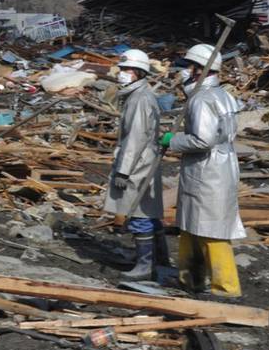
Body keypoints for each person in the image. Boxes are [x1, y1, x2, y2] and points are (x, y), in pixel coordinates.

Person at [159, 43, 243, 297]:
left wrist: (172, 140)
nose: (185, 71)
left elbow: (202, 140)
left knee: (211, 229)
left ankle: (226, 287)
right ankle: (189, 278)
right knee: (191, 225)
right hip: (218, 166)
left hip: (208, 171)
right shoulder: (223, 95)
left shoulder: (202, 100)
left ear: (198, 69)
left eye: (189, 66)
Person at [103, 49, 166, 281]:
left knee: (138, 212)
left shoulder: (140, 99)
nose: (122, 74)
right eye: (121, 69)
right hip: (143, 160)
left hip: (138, 164)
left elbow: (135, 138)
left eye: (127, 70)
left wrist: (123, 170)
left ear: (139, 73)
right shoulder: (138, 95)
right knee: (149, 213)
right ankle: (159, 258)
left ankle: (145, 265)